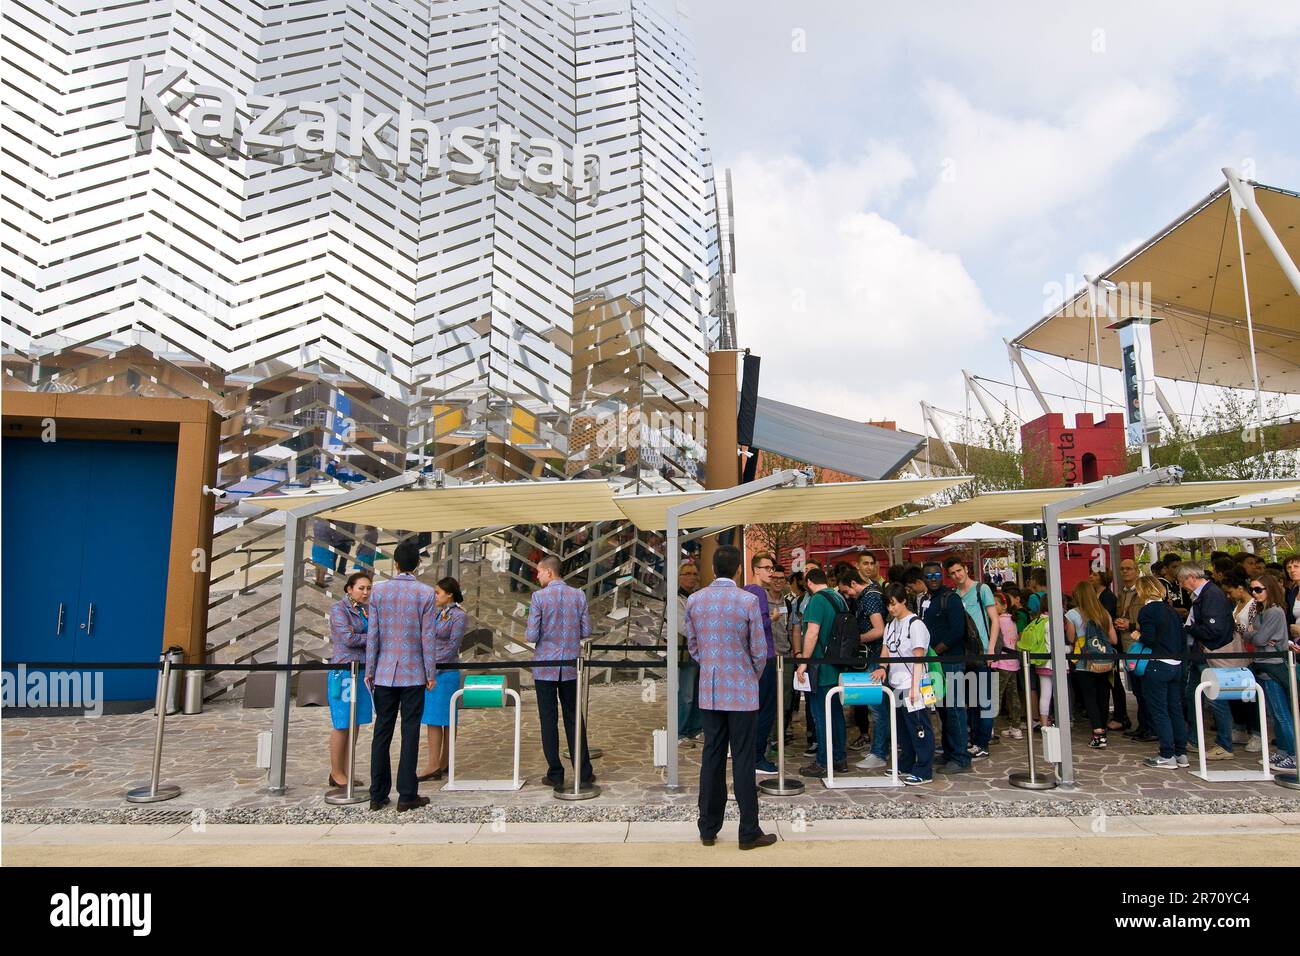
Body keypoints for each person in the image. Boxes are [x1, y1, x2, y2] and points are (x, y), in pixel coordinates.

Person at [686, 545, 776, 850]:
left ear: (713, 569)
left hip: (710, 690)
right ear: (739, 569)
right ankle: (748, 830)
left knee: (711, 757)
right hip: (742, 689)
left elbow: (694, 647)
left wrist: (712, 665)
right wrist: (749, 673)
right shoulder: (748, 600)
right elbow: (760, 651)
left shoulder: (695, 601)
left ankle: (708, 828)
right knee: (743, 758)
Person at [365, 541, 438, 811]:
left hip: (384, 671)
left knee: (382, 731)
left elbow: (373, 635)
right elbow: (426, 637)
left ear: (395, 563)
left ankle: (377, 793)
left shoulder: (379, 592)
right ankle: (407, 793)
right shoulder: (425, 593)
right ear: (417, 564)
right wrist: (430, 672)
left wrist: (370, 669)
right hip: (413, 671)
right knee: (410, 731)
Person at [526, 554, 594, 788]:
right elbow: (586, 630)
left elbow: (531, 635)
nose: (537, 576)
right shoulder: (578, 595)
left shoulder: (538, 598)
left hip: (545, 666)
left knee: (548, 719)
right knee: (575, 719)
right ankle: (584, 772)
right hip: (571, 666)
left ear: (549, 572)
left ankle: (555, 773)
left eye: (538, 572)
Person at [908, 562, 972, 772]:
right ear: (923, 579)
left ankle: (961, 757)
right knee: (942, 710)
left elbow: (957, 631)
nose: (933, 578)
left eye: (936, 574)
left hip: (950, 662)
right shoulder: (926, 599)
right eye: (929, 575)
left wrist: (935, 650)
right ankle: (949, 751)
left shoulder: (950, 598)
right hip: (934, 665)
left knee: (954, 710)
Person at [872, 584, 934, 785]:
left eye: (894, 604)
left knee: (919, 727)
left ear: (903, 601)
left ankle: (924, 769)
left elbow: (918, 657)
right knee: (902, 728)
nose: (891, 609)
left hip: (913, 684)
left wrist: (915, 688)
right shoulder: (891, 625)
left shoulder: (915, 624)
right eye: (888, 605)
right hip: (896, 684)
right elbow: (886, 649)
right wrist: (882, 667)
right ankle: (906, 762)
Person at [796, 567, 852, 778]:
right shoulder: (839, 598)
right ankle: (839, 758)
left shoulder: (817, 600)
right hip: (837, 664)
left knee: (820, 714)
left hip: (820, 665)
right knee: (836, 713)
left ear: (809, 582)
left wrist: (804, 663)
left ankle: (823, 761)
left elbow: (812, 632)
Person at [1178, 561, 1235, 759]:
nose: (1181, 585)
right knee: (1192, 695)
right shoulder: (1203, 595)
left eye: (1181, 580)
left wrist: (1189, 627)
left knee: (1215, 698)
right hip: (1200, 652)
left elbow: (1214, 629)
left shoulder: (1211, 595)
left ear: (1191, 578)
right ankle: (1194, 739)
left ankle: (1224, 744)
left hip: (1210, 651)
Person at [1135, 575, 1189, 769]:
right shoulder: (1172, 611)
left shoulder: (1147, 611)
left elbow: (1148, 638)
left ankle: (1167, 753)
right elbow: (1182, 638)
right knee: (1175, 708)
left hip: (1157, 664)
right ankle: (1181, 752)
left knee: (1159, 710)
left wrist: (1137, 635)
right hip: (1176, 664)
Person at [417, 577, 468, 781]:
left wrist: (430, 666)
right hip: (432, 670)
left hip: (444, 672)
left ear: (449, 594)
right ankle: (436, 761)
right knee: (433, 719)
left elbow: (452, 646)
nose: (434, 596)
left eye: (438, 592)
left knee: (444, 719)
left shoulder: (458, 615)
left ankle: (439, 763)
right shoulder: (436, 614)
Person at [946, 556, 997, 756]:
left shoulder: (981, 589)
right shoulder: (955, 595)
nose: (957, 575)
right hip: (964, 652)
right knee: (971, 699)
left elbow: (994, 619)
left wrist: (991, 648)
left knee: (983, 699)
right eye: (953, 573)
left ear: (966, 568)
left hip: (982, 650)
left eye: (959, 570)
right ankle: (974, 740)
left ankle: (982, 743)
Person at [1245, 573, 1297, 772]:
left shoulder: (1274, 612)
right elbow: (1252, 635)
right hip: (1264, 663)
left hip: (1272, 664)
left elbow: (1258, 638)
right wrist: (1255, 634)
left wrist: (1255, 634)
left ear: (1269, 589)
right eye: (1253, 590)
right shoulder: (1262, 611)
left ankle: (1293, 754)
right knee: (1276, 714)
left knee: (1281, 713)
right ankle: (1284, 751)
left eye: (1259, 589)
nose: (1255, 593)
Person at [327, 571, 374, 788]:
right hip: (345, 671)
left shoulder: (367, 611)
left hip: (362, 671)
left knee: (355, 723)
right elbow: (347, 638)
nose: (365, 592)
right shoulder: (339, 609)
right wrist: (373, 638)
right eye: (361, 588)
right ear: (349, 589)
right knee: (342, 722)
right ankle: (336, 772)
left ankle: (347, 769)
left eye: (368, 588)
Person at [839, 567, 888, 768]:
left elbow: (879, 630)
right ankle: (879, 750)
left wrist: (855, 640)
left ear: (853, 583)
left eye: (845, 591)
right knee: (877, 707)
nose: (846, 595)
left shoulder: (870, 597)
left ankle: (879, 753)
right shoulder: (871, 593)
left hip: (875, 659)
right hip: (873, 658)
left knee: (877, 708)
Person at [1064, 581, 1119, 749]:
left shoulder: (1072, 614)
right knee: (1103, 696)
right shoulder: (1104, 613)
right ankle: (1102, 730)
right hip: (1104, 660)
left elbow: (1071, 639)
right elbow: (1114, 640)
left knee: (1089, 697)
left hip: (1084, 661)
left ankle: (1097, 732)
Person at [745, 552, 780, 774]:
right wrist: (773, 619)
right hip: (765, 656)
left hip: (755, 658)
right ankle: (758, 756)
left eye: (771, 567)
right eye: (766, 567)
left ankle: (754, 754)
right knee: (767, 709)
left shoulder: (746, 591)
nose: (770, 571)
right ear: (755, 569)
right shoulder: (757, 592)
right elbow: (757, 624)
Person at [1114, 558, 1147, 739]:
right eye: (1122, 569)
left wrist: (1131, 624)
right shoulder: (1123, 593)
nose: (1125, 572)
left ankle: (1147, 725)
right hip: (1126, 644)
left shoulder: (1142, 592)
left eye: (1129, 569)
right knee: (1135, 687)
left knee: (1142, 687)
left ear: (1136, 570)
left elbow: (1147, 619)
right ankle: (1143, 725)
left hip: (1140, 644)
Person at [990, 590, 1024, 739]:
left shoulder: (998, 621)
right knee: (1013, 695)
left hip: (1001, 662)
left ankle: (990, 727)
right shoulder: (1013, 619)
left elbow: (996, 642)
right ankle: (1016, 727)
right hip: (1013, 662)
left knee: (996, 695)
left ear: (1004, 606)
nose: (992, 606)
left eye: (995, 604)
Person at [676, 560, 703, 744]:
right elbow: (683, 627)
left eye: (694, 573)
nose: (691, 577)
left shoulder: (696, 598)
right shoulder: (675, 599)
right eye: (687, 573)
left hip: (700, 653)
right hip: (684, 653)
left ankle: (694, 728)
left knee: (698, 693)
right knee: (685, 695)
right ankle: (680, 730)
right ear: (679, 576)